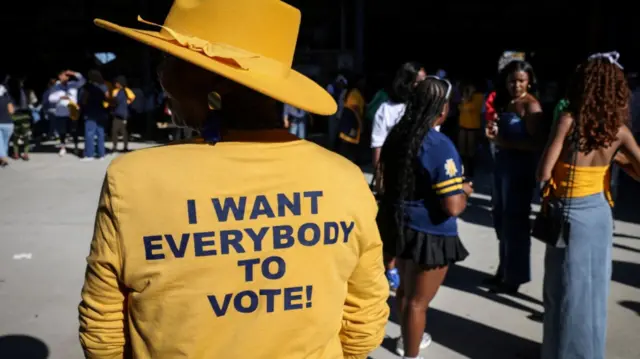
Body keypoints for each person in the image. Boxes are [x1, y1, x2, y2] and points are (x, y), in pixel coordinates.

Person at [79, 1, 389, 358]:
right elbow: (364, 318)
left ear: (211, 83)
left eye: (169, 60)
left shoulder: (132, 180)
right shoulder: (344, 178)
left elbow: (103, 330)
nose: (160, 75)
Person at [537, 52, 640, 359]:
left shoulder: (569, 120)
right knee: (591, 292)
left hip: (568, 212)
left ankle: (559, 353)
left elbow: (543, 171)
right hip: (599, 213)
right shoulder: (618, 132)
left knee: (562, 292)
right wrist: (618, 159)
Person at [378, 77, 471, 359]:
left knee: (405, 294)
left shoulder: (398, 135)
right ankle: (411, 353)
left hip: (399, 225)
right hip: (429, 232)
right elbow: (453, 206)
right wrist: (464, 190)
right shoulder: (439, 144)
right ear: (442, 110)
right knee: (418, 302)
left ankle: (409, 339)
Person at [485, 60, 544, 293]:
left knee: (515, 223)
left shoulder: (531, 106)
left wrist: (503, 141)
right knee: (500, 220)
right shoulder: (506, 102)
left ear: (529, 81)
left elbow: (536, 143)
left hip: (519, 170)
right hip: (501, 166)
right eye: (512, 80)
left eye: (521, 80)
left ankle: (514, 277)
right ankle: (504, 269)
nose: (516, 85)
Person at [371, 61, 426, 290]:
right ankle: (390, 267)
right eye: (419, 82)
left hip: (418, 178)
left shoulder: (424, 111)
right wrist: (380, 178)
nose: (424, 86)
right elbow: (377, 146)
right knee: (392, 225)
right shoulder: (387, 110)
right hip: (395, 177)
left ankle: (408, 266)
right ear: (407, 83)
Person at [48, 70, 85, 156]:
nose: (64, 77)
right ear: (59, 77)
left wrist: (73, 73)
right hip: (61, 113)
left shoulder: (73, 84)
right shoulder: (56, 87)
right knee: (62, 132)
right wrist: (60, 97)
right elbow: (50, 99)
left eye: (66, 76)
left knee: (74, 131)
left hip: (72, 112)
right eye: (62, 76)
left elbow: (83, 80)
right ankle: (63, 147)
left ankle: (75, 146)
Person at [457, 81, 484, 177]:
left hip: (473, 126)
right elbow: (460, 107)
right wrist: (465, 98)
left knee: (471, 150)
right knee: (462, 149)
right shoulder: (464, 96)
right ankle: (462, 169)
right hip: (463, 125)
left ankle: (471, 171)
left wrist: (467, 98)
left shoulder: (479, 97)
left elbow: (472, 108)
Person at [80, 70, 109, 161]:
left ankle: (90, 154)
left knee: (90, 133)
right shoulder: (104, 86)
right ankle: (101, 154)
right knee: (100, 132)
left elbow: (84, 99)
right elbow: (108, 97)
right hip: (100, 110)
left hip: (90, 111)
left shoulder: (88, 87)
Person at [111, 75, 135, 152]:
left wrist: (127, 103)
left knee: (124, 132)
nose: (115, 84)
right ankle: (114, 146)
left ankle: (125, 147)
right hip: (117, 113)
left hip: (124, 114)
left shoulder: (127, 90)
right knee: (114, 131)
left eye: (117, 83)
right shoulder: (115, 91)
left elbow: (132, 97)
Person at [0, 85, 15, 167]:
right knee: (5, 142)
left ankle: (3, 158)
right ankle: (3, 158)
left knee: (0, 142)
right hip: (8, 124)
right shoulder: (7, 100)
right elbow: (11, 111)